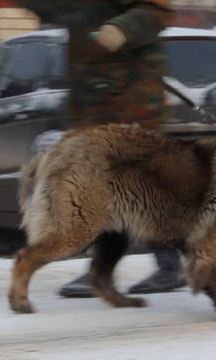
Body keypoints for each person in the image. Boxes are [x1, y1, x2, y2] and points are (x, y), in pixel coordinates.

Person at [16, 0, 186, 297]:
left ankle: (164, 265)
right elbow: (56, 10)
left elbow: (157, 10)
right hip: (90, 97)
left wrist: (121, 29)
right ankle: (119, 269)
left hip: (131, 100)